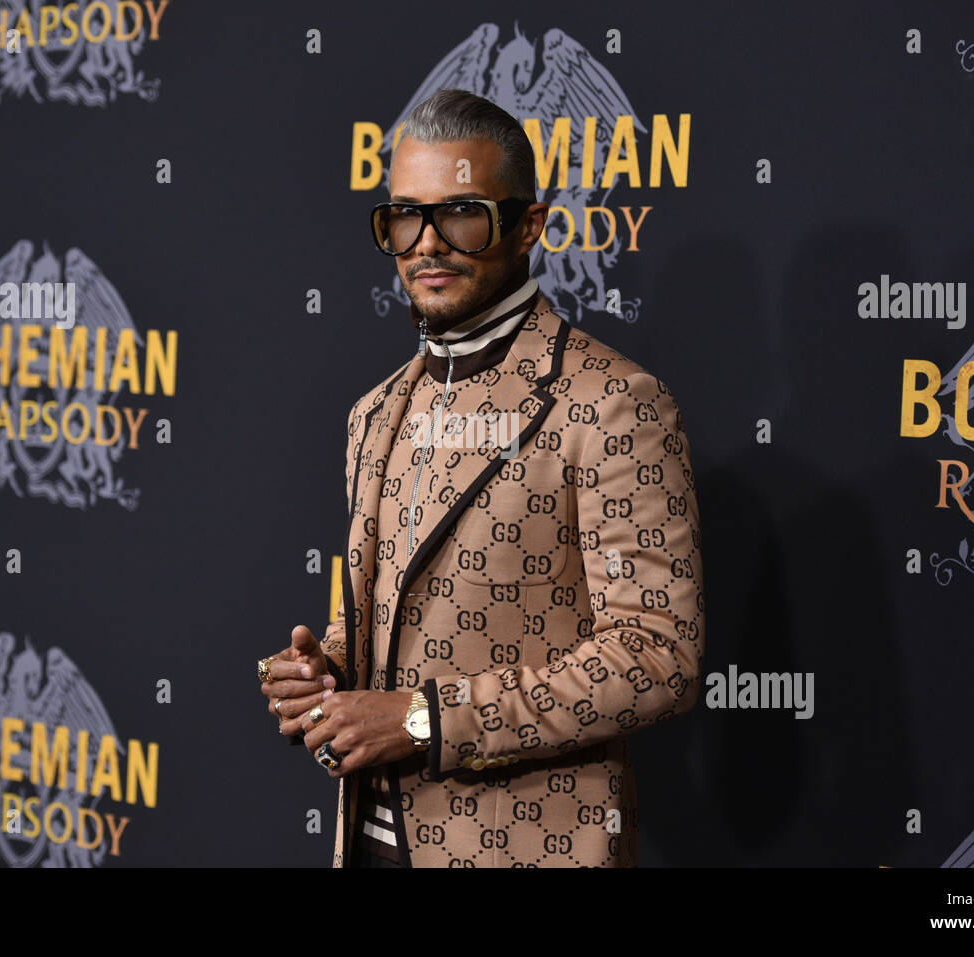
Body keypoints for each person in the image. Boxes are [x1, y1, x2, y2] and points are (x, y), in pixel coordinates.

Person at [258, 88, 705, 867]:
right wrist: (325, 672)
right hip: (367, 840)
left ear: (528, 225)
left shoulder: (611, 403)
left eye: (461, 214)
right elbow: (387, 617)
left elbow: (657, 657)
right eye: (405, 216)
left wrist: (428, 720)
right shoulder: (376, 411)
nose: (428, 244)